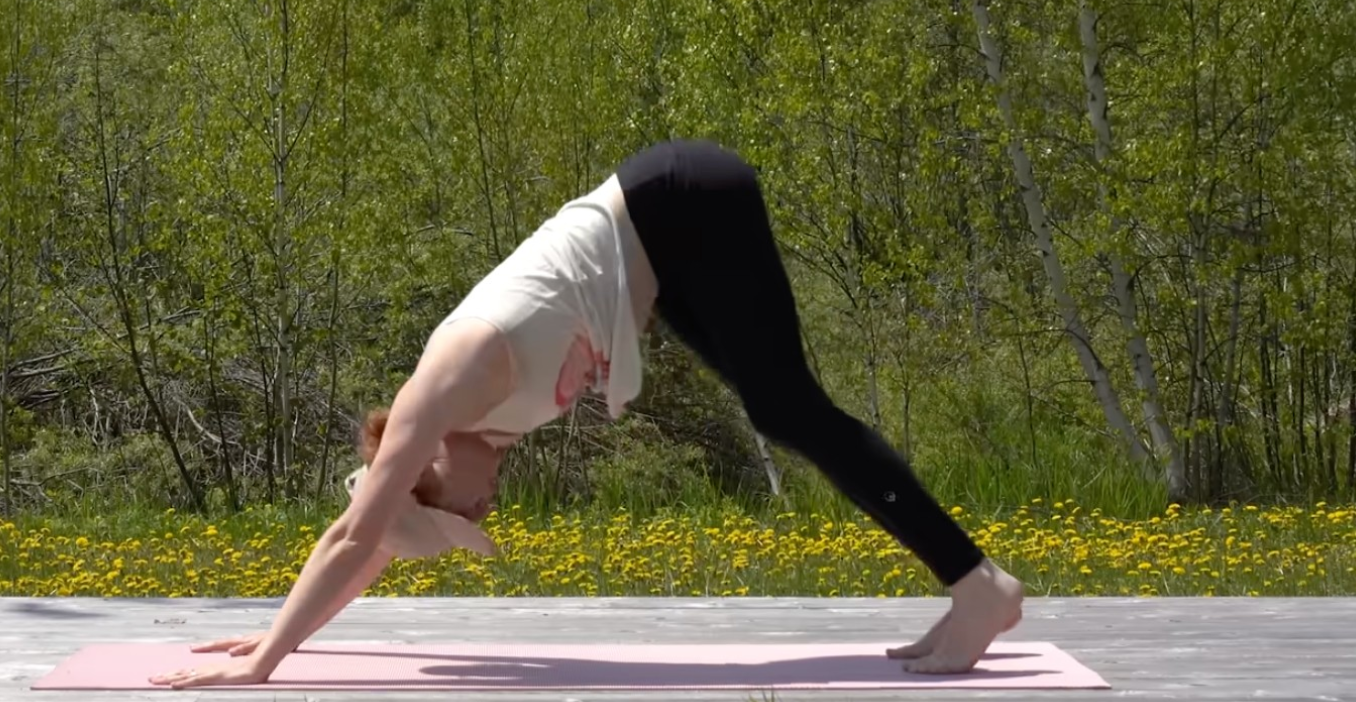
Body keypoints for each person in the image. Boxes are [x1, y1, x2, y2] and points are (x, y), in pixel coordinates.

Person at [150, 140, 1023, 688]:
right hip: (668, 246)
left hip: (682, 200)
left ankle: (980, 589)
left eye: (460, 508)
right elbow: (369, 542)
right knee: (779, 412)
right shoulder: (463, 438)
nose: (483, 514)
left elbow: (356, 535)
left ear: (429, 465)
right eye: (470, 521)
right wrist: (278, 635)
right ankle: (973, 590)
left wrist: (263, 671)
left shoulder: (445, 386)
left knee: (790, 409)